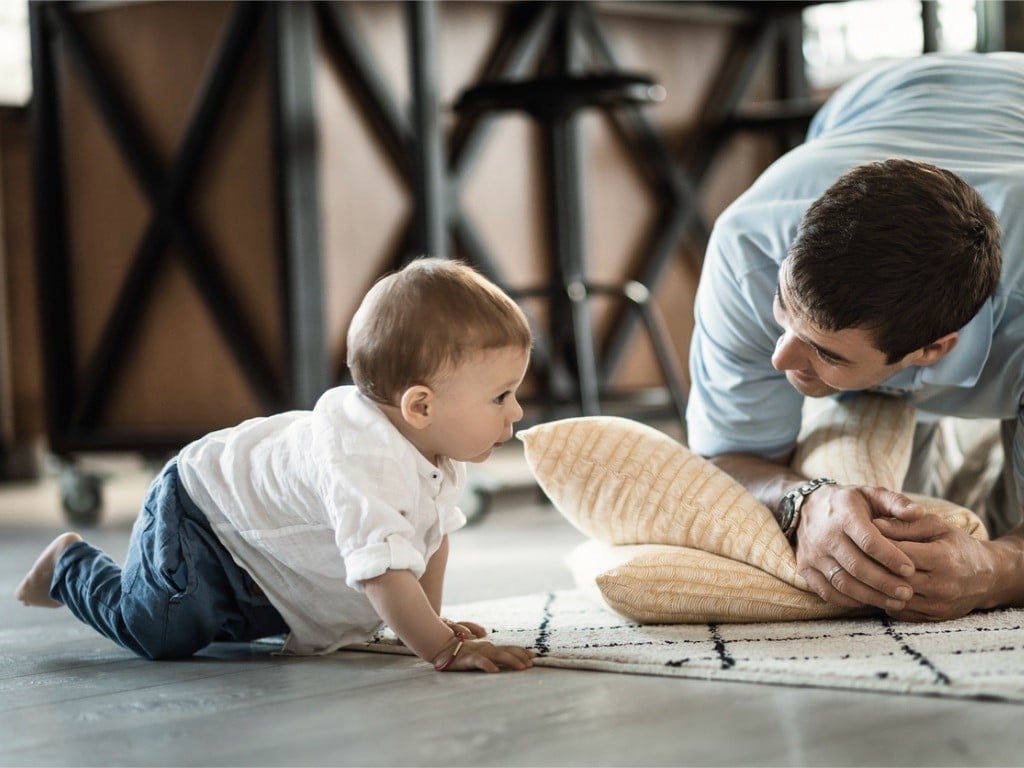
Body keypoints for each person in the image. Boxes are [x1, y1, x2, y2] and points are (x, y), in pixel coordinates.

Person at [16, 257, 537, 672]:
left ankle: (212, 601)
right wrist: (442, 648)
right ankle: (70, 567)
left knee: (247, 627)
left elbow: (431, 538)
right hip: (201, 513)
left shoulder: (432, 452)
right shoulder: (364, 462)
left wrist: (430, 621)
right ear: (420, 406)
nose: (515, 410)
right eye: (501, 396)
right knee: (163, 632)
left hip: (263, 546)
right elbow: (385, 572)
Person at [686, 52, 1024, 622]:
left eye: (824, 351)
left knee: (991, 538)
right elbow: (729, 453)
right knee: (889, 535)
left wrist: (996, 570)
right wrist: (805, 500)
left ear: (934, 349)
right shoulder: (748, 248)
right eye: (783, 313)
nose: (779, 357)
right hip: (887, 95)